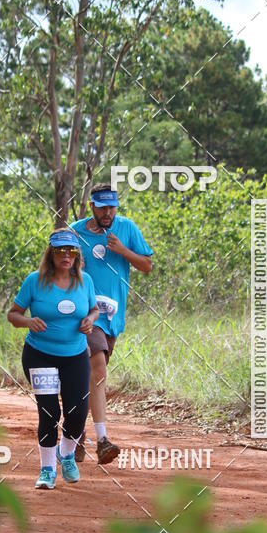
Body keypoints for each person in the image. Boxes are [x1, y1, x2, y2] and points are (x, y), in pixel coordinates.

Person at [7, 229, 99, 489]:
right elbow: (13, 314)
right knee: (49, 412)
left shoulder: (85, 281)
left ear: (77, 255)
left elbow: (94, 309)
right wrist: (28, 321)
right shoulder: (34, 281)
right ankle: (47, 470)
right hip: (40, 355)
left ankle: (66, 454)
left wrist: (90, 320)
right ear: (51, 254)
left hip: (75, 356)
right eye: (60, 250)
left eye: (71, 251)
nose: (66, 256)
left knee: (78, 413)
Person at [70, 183, 153, 464]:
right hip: (85, 315)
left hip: (112, 317)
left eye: (112, 208)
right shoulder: (75, 232)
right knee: (98, 369)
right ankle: (103, 440)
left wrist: (122, 250)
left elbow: (147, 265)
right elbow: (56, 268)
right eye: (102, 207)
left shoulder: (126, 228)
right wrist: (75, 268)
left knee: (91, 380)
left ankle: (75, 434)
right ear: (91, 206)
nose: (108, 213)